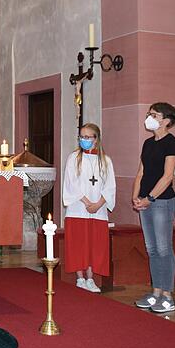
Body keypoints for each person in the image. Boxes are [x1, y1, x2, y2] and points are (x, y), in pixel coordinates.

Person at [132, 102, 175, 313]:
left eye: (154, 114)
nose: (149, 117)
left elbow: (168, 175)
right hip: (145, 200)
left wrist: (150, 198)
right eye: (149, 113)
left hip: (161, 201)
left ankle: (167, 296)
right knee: (152, 249)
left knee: (163, 248)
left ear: (166, 120)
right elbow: (141, 172)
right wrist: (136, 196)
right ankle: (156, 292)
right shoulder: (148, 143)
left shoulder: (172, 143)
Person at [62, 123, 116, 293]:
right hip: (78, 208)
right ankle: (80, 278)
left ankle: (91, 278)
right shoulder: (74, 158)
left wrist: (99, 204)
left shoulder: (105, 160)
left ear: (96, 139)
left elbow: (110, 185)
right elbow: (71, 183)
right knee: (79, 243)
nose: (84, 140)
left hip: (98, 209)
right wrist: (87, 203)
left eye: (87, 137)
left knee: (94, 244)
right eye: (81, 137)